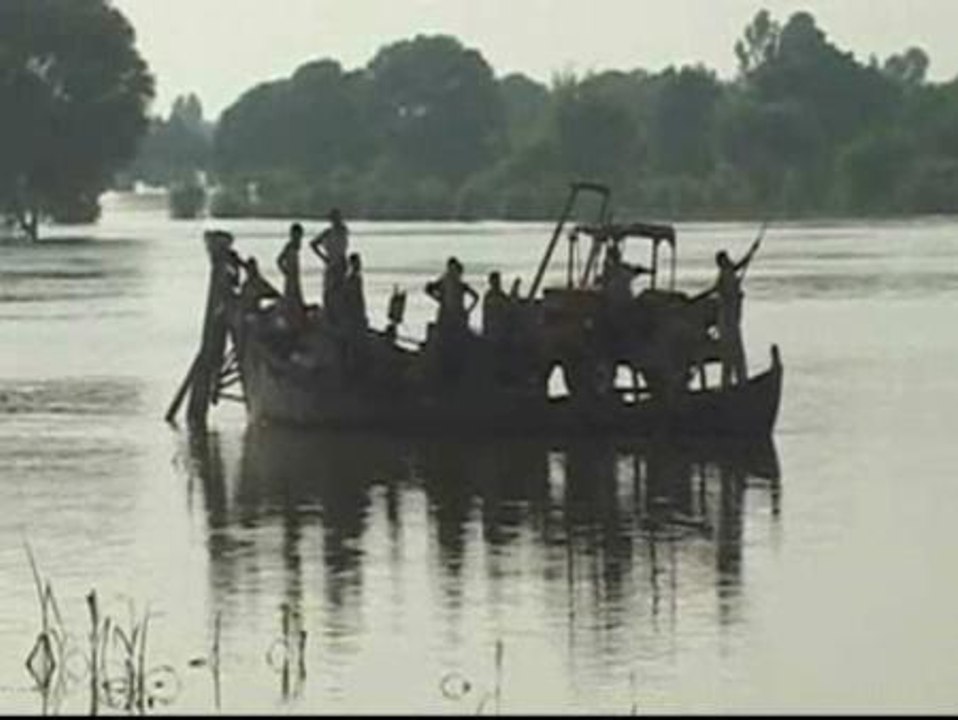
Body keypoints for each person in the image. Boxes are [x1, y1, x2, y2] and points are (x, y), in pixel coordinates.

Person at [707, 236, 762, 388]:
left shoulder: (729, 272)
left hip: (730, 320)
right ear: (722, 263)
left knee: (732, 354)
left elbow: (742, 264)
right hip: (728, 321)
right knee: (733, 353)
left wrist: (752, 250)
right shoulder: (725, 275)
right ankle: (736, 384)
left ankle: (735, 382)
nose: (730, 260)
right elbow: (722, 292)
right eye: (727, 259)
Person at [425, 257, 479, 382]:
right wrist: (439, 299)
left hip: (457, 319)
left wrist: (468, 310)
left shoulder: (458, 284)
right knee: (446, 344)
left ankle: (454, 370)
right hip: (448, 318)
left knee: (456, 345)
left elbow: (476, 296)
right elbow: (428, 289)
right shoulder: (445, 281)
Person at [309, 208, 349, 320]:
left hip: (340, 263)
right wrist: (324, 258)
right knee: (329, 292)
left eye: (337, 218)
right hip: (331, 264)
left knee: (341, 291)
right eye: (334, 219)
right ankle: (330, 316)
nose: (336, 221)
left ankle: (339, 315)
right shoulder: (328, 232)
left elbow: (342, 248)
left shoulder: (343, 230)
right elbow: (313, 244)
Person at [277, 222, 306, 328]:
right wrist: (285, 271)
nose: (298, 237)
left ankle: (296, 320)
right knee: (291, 297)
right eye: (296, 235)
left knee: (296, 297)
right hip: (291, 277)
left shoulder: (297, 246)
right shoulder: (289, 246)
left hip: (295, 276)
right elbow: (279, 260)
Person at [482, 271, 510, 344]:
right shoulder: (488, 295)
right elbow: (485, 312)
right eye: (494, 282)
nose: (496, 284)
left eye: (497, 282)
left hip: (500, 327)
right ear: (490, 282)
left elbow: (507, 312)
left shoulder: (502, 296)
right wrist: (485, 327)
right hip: (491, 326)